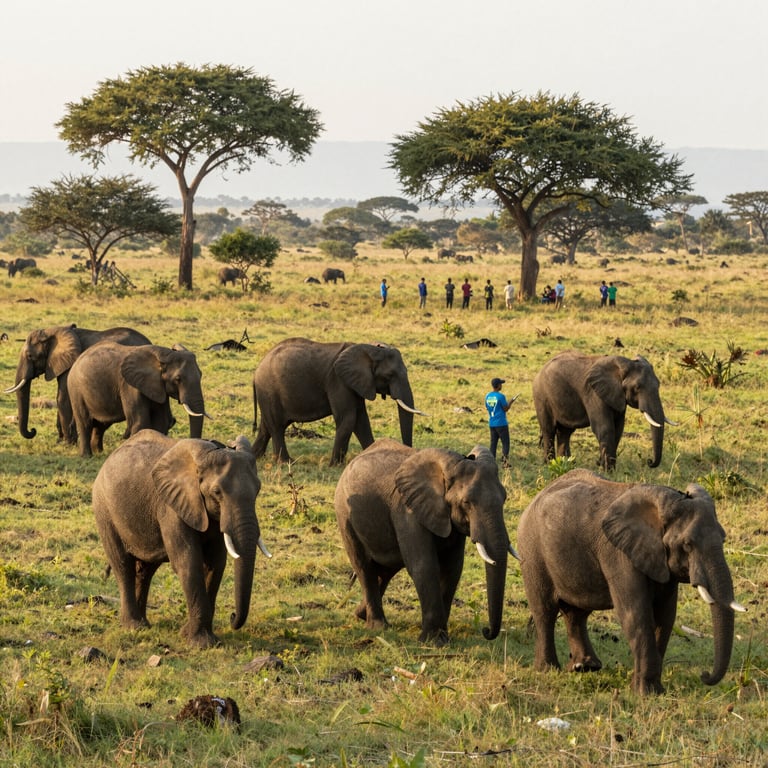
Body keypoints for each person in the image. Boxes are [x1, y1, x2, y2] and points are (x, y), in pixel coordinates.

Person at [485, 377, 512, 465]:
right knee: (505, 443)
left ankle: (491, 462)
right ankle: (505, 462)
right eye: (501, 384)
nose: (501, 386)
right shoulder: (500, 396)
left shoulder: (487, 396)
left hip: (492, 423)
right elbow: (505, 408)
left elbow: (487, 407)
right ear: (498, 386)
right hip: (501, 423)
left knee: (493, 443)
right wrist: (511, 402)